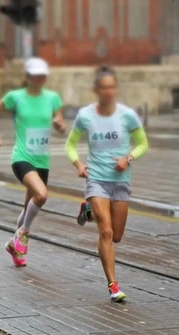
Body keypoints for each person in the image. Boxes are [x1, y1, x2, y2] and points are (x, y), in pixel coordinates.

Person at [65, 66, 149, 301]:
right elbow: (70, 145)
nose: (109, 91)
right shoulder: (85, 116)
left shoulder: (127, 115)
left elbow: (143, 144)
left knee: (117, 236)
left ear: (116, 89)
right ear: (96, 90)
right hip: (97, 181)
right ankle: (113, 285)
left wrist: (128, 158)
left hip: (121, 182)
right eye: (104, 88)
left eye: (112, 87)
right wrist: (78, 164)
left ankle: (88, 211)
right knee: (107, 231)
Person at [0, 57, 66, 267]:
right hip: (22, 157)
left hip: (43, 160)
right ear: (27, 77)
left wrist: (59, 125)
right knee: (41, 195)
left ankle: (15, 248)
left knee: (29, 205)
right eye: (36, 76)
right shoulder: (16, 97)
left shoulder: (52, 98)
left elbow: (60, 123)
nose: (40, 79)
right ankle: (23, 235)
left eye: (43, 76)